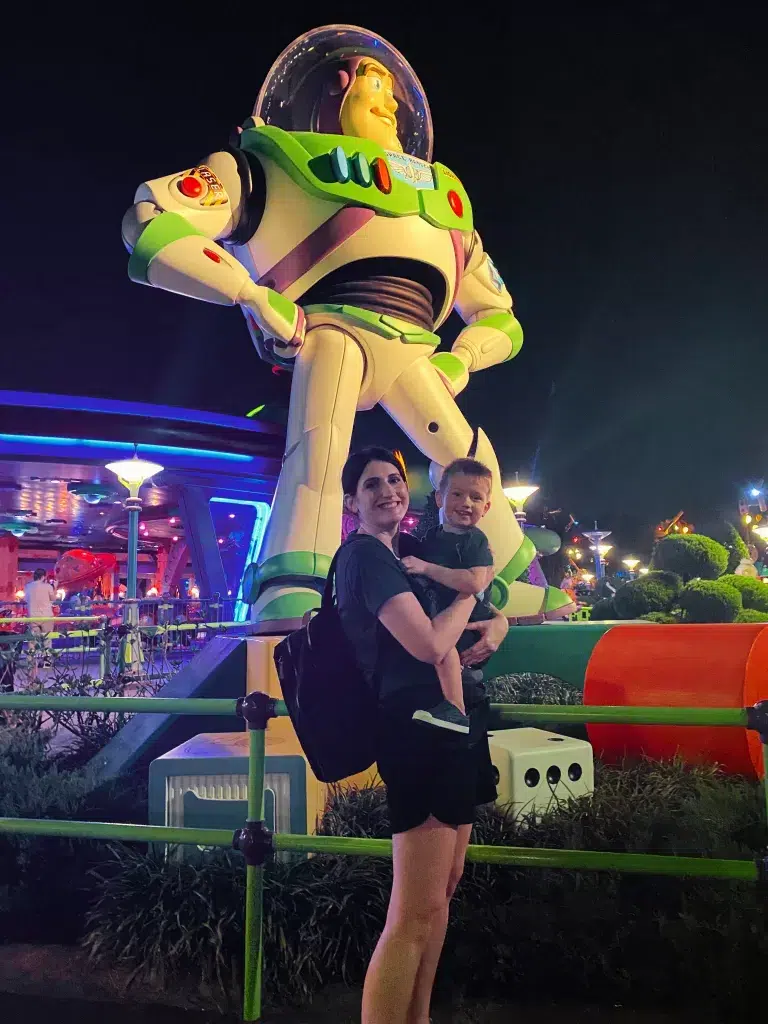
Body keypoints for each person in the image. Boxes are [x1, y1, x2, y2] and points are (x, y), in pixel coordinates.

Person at [336, 446, 509, 1024]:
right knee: (412, 913)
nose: (387, 489)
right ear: (351, 501)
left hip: (453, 729)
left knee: (443, 891)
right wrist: (468, 594)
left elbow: (487, 592)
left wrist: (498, 616)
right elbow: (432, 645)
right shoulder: (366, 558)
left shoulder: (404, 553)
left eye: (393, 479)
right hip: (417, 734)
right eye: (371, 484)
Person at [399, 458, 496, 735]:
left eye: (476, 497)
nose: (466, 502)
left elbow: (475, 581)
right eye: (457, 494)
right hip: (443, 619)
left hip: (467, 627)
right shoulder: (431, 538)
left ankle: (455, 709)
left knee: (444, 648)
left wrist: (426, 568)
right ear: (440, 498)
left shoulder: (475, 541)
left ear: (486, 508)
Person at [24, 569, 55, 633]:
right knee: (47, 639)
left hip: (33, 616)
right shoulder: (48, 586)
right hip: (46, 616)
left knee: (33, 640)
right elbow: (53, 599)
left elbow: (26, 599)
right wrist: (55, 587)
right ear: (43, 577)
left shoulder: (28, 586)